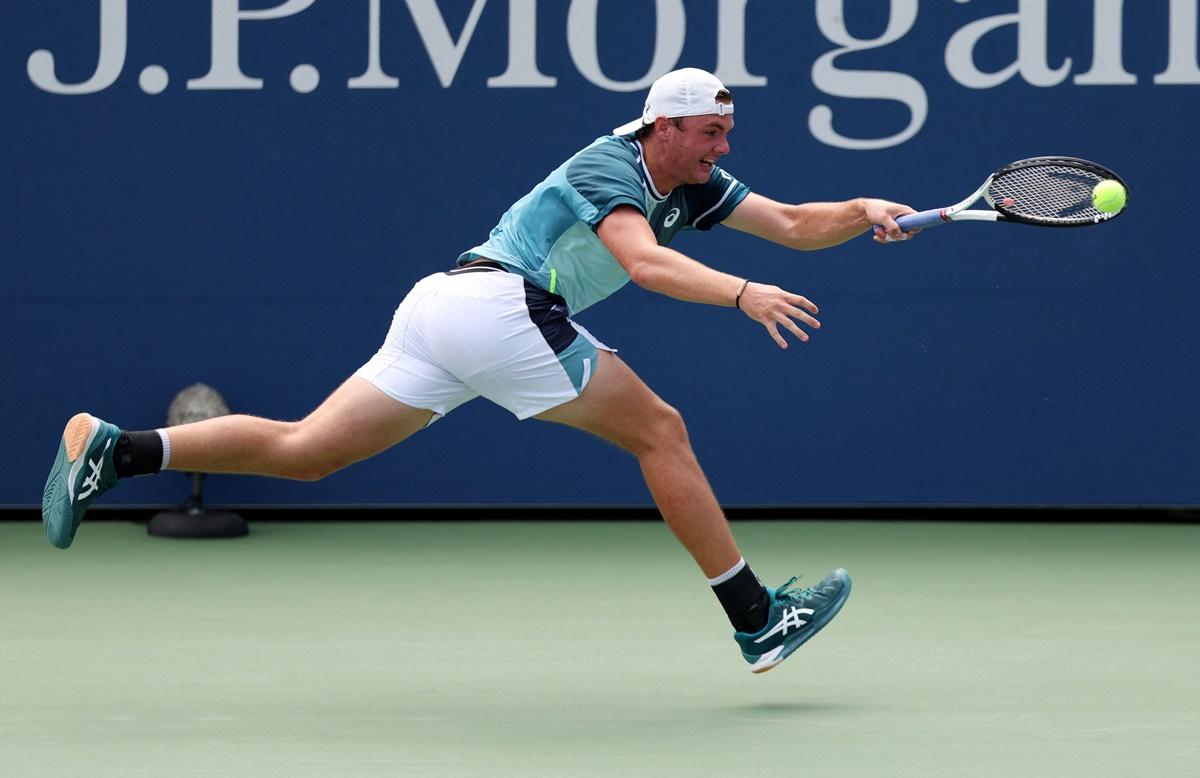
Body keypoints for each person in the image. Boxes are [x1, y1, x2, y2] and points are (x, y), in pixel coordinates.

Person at [42, 68, 916, 673]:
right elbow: (644, 265)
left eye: (727, 133)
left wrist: (866, 209)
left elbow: (799, 221)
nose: (720, 149)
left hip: (445, 308)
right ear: (660, 127)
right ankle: (757, 619)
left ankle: (118, 452)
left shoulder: (688, 181)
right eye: (707, 134)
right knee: (662, 430)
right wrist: (742, 293)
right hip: (498, 307)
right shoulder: (610, 167)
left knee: (310, 450)